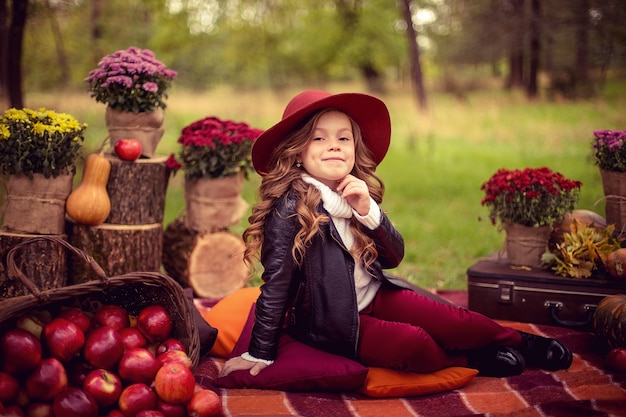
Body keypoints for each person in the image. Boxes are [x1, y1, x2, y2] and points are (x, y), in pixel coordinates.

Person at [220, 90, 573, 379]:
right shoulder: (290, 208)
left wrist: (367, 210)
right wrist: (260, 352)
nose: (334, 146)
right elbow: (276, 285)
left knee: (455, 319)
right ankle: (471, 360)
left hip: (376, 295)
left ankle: (523, 343)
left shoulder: (352, 193)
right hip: (335, 321)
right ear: (297, 151)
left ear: (354, 150)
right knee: (413, 343)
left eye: (344, 138)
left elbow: (393, 257)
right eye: (319, 138)